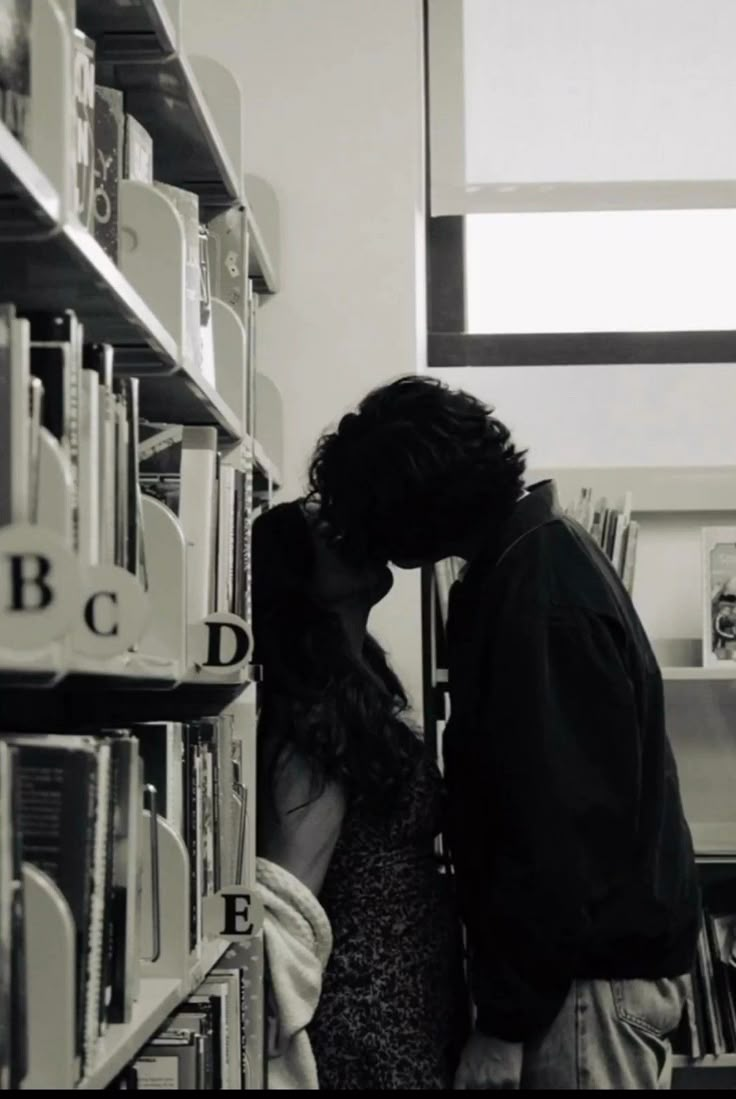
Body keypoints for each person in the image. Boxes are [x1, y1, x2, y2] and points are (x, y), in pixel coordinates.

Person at [307, 375, 701, 1091]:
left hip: (580, 989)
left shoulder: (538, 592)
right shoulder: (529, 563)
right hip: (575, 981)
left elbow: (559, 833)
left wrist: (504, 1022)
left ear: (415, 506)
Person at [252, 498, 469, 1090]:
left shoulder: (356, 689)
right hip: (365, 1019)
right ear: (302, 577)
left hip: (406, 996)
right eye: (328, 531)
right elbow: (288, 902)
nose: (355, 533)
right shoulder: (315, 718)